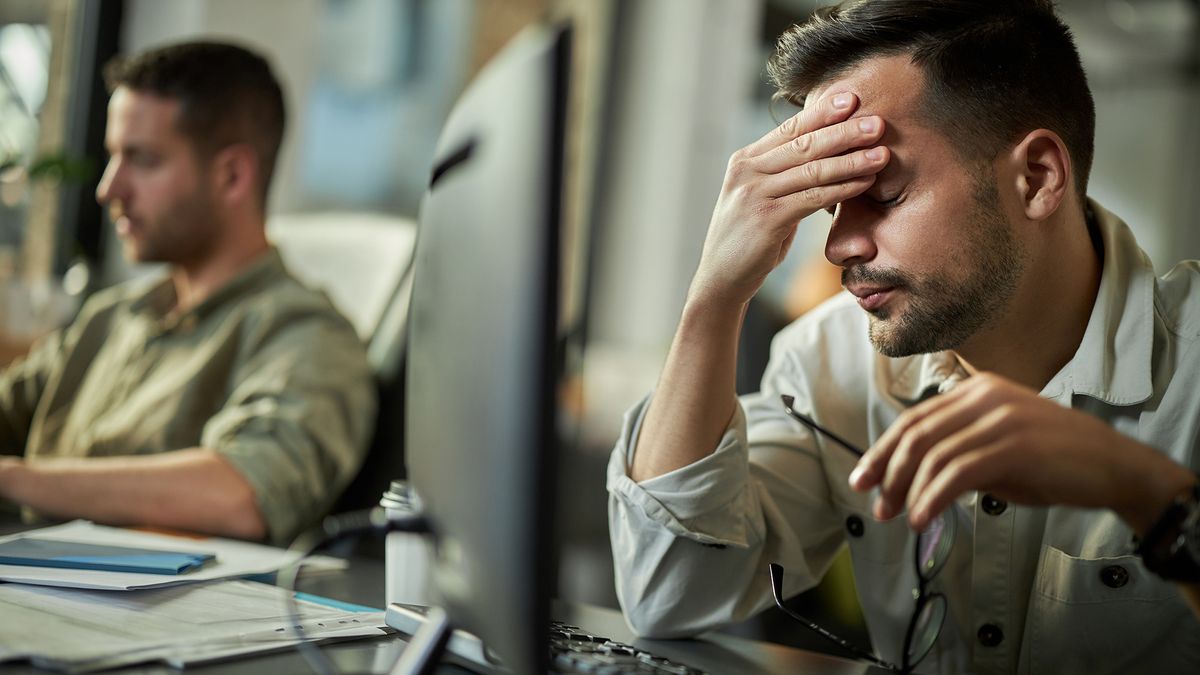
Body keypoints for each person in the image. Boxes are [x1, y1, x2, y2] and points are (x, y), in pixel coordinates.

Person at [606, 1, 1200, 673]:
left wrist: (1148, 493)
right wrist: (712, 297)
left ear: (1035, 178)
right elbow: (665, 592)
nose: (838, 247)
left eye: (883, 195)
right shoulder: (831, 361)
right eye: (831, 205)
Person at [0, 41, 376, 545]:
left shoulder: (306, 335)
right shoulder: (111, 317)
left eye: (144, 160)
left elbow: (245, 491)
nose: (109, 189)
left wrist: (14, 480)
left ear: (232, 175)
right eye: (114, 157)